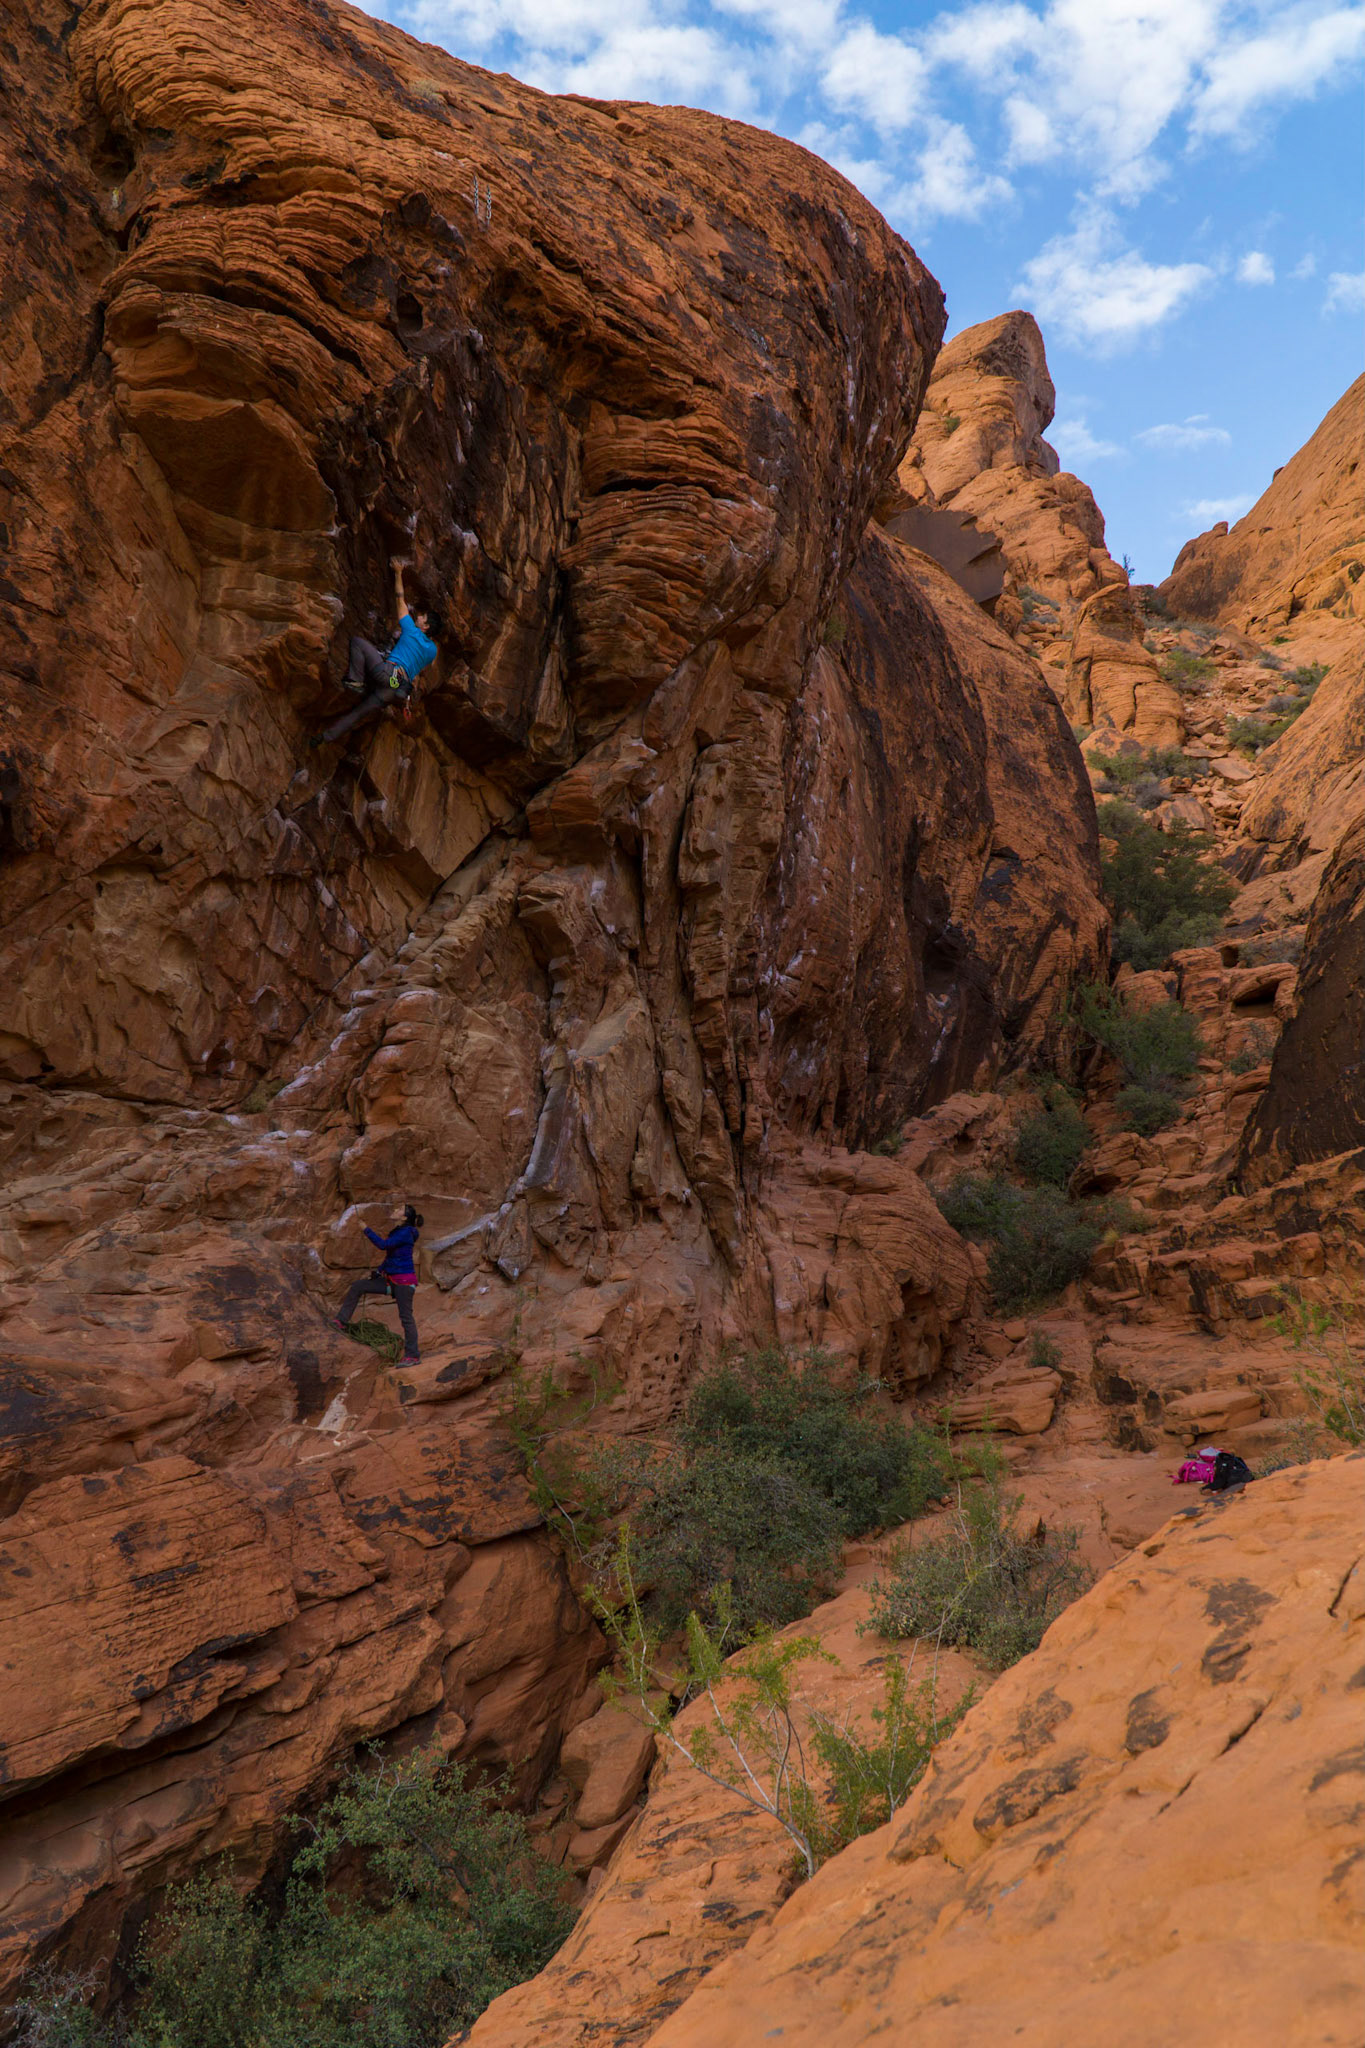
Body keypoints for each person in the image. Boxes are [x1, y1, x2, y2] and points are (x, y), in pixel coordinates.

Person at [310, 558, 440, 747]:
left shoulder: (411, 630)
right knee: (358, 713)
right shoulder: (432, 651)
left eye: (422, 617)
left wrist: (398, 572)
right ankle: (324, 737)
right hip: (394, 689)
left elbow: (400, 598)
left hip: (389, 673)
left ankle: (355, 680)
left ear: (425, 626)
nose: (418, 617)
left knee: (357, 643)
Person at [335, 1203, 423, 1363]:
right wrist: (379, 1271)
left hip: (404, 1283)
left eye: (399, 1209)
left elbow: (383, 1245)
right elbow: (392, 1257)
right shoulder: (399, 1231)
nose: (395, 1210)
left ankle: (413, 1355)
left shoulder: (406, 1233)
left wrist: (366, 1229)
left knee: (406, 1318)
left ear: (404, 1217)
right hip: (392, 1281)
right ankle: (341, 1321)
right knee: (358, 1286)